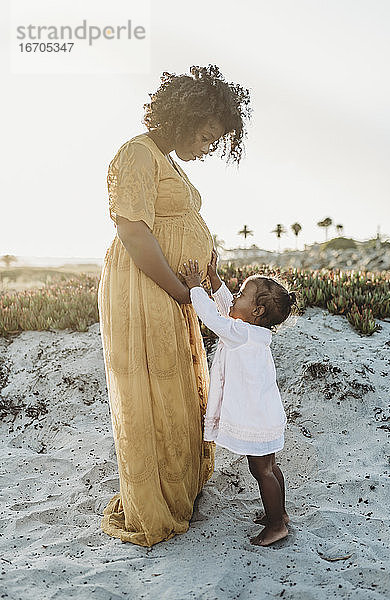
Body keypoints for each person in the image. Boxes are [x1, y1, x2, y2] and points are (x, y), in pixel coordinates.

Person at [98, 65, 252, 546]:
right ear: (184, 117)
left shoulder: (167, 160)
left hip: (175, 287)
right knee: (152, 388)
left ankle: (179, 486)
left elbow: (178, 222)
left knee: (178, 388)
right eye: (207, 136)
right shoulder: (137, 154)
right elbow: (133, 231)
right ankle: (156, 502)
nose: (209, 148)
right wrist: (182, 290)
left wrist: (206, 271)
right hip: (146, 286)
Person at [179, 251, 297, 546]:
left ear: (256, 311)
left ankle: (275, 525)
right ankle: (280, 515)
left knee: (261, 470)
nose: (235, 296)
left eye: (242, 293)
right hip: (266, 414)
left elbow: (211, 316)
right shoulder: (252, 331)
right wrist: (215, 281)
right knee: (270, 467)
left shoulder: (240, 333)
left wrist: (195, 286)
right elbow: (227, 308)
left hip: (255, 417)